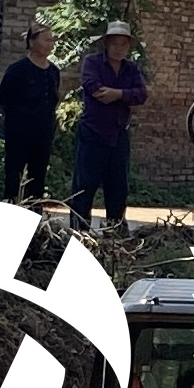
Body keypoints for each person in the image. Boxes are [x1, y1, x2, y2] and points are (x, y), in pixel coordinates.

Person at [69, 16, 148, 232]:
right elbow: (94, 88)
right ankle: (79, 231)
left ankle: (115, 231)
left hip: (118, 133)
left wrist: (118, 94)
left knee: (118, 187)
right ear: (106, 43)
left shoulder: (131, 69)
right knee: (84, 185)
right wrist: (126, 98)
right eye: (114, 43)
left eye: (123, 44)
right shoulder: (93, 62)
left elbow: (141, 94)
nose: (118, 49)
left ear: (128, 47)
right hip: (93, 133)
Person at [0, 18, 61, 206]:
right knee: (14, 178)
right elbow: (2, 100)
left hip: (43, 135)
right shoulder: (17, 70)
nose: (49, 43)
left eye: (51, 39)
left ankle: (35, 217)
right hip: (19, 134)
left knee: (37, 180)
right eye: (45, 39)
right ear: (31, 42)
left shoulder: (53, 71)